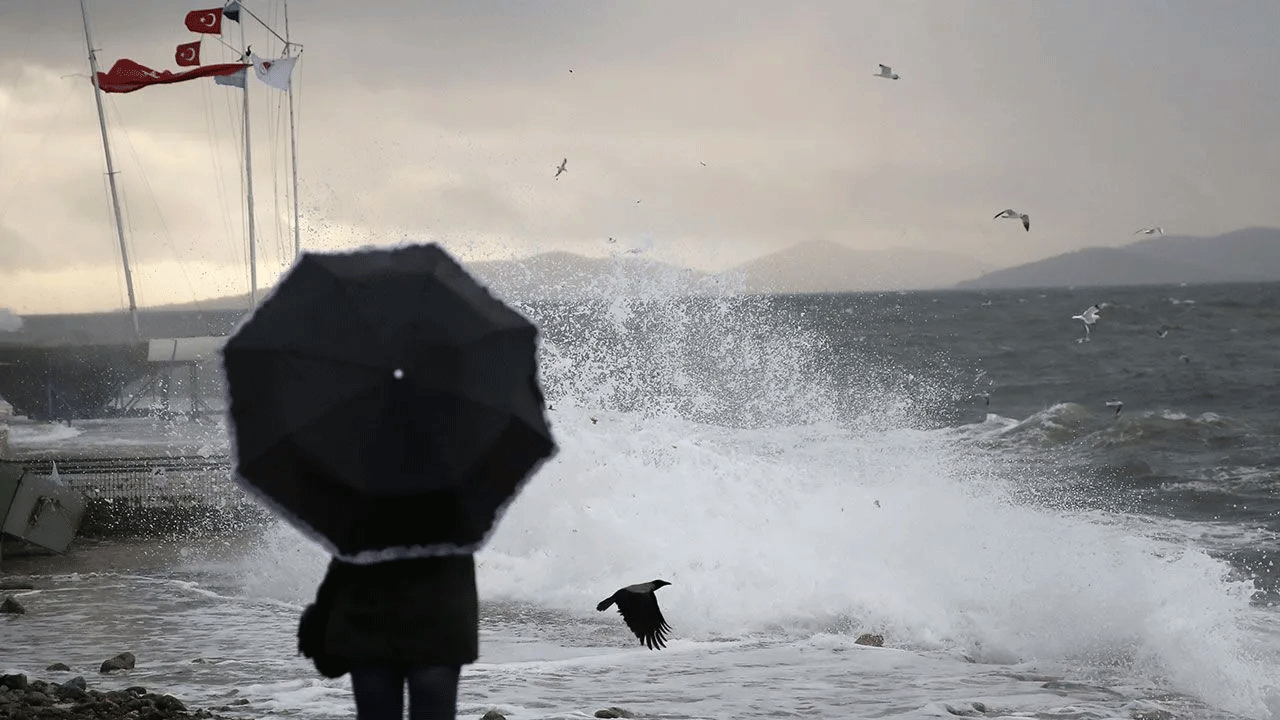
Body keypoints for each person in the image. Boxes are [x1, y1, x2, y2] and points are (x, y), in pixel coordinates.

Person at [300, 553, 478, 720]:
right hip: (441, 599)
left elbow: (347, 539)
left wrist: (325, 604)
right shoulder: (457, 525)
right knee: (433, 703)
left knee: (376, 707)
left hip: (370, 601)